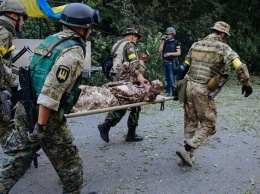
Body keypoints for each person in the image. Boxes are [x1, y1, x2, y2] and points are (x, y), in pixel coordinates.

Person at [0, 3, 100, 193]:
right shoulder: (73, 52)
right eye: (89, 27)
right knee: (70, 161)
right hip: (45, 115)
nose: (91, 31)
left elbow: (32, 72)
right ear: (82, 27)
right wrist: (40, 126)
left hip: (25, 105)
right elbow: (50, 92)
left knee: (15, 158)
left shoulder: (51, 40)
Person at [175, 21, 253, 167]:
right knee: (209, 124)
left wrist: (176, 88)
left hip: (188, 87)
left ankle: (186, 158)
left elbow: (183, 67)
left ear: (213, 31)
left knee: (190, 121)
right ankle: (187, 149)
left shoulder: (195, 45)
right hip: (203, 89)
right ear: (223, 34)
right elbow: (239, 66)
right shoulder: (223, 47)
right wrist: (246, 84)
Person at [98, 28, 149, 143]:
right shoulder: (130, 45)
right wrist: (140, 73)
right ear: (132, 36)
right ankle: (129, 133)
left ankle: (107, 125)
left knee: (121, 103)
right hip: (126, 78)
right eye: (136, 37)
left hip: (114, 76)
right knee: (136, 103)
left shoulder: (117, 44)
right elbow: (133, 63)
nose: (136, 40)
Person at [0, 0, 28, 148]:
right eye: (21, 18)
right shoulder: (3, 33)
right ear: (12, 15)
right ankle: (14, 164)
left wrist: (15, 70)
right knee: (6, 130)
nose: (22, 23)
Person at [72, 80, 163, 112]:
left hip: (110, 98)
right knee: (81, 88)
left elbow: (151, 97)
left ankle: (63, 106)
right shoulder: (137, 86)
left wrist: (148, 90)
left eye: (151, 86)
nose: (148, 85)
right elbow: (127, 65)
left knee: (81, 101)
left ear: (152, 90)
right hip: (105, 91)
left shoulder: (143, 95)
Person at [158, 26, 181, 97]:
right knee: (166, 78)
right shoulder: (165, 42)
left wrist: (170, 53)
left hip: (172, 62)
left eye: (169, 34)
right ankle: (168, 91)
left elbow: (179, 53)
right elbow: (159, 50)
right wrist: (163, 42)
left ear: (173, 34)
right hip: (165, 62)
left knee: (172, 78)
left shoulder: (176, 42)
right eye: (167, 34)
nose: (168, 36)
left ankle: (174, 92)